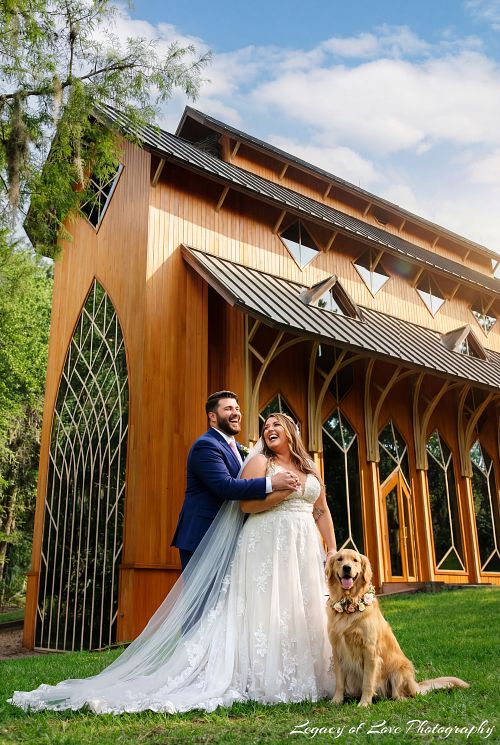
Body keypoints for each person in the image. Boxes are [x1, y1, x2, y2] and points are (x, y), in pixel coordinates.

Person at [10, 413, 337, 713]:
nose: (269, 429)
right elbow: (247, 506)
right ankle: (263, 676)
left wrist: (332, 549)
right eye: (266, 426)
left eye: (276, 424)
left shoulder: (309, 468)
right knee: (266, 606)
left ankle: (304, 673)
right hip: (265, 542)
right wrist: (280, 492)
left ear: (292, 431)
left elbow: (320, 509)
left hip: (302, 545)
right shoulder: (259, 463)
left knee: (299, 604)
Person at [172, 390, 301, 569]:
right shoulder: (206, 445)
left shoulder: (238, 448)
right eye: (228, 409)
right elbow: (225, 487)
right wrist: (273, 483)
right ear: (212, 416)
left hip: (231, 536)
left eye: (237, 408)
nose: (236, 413)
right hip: (204, 535)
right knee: (205, 598)